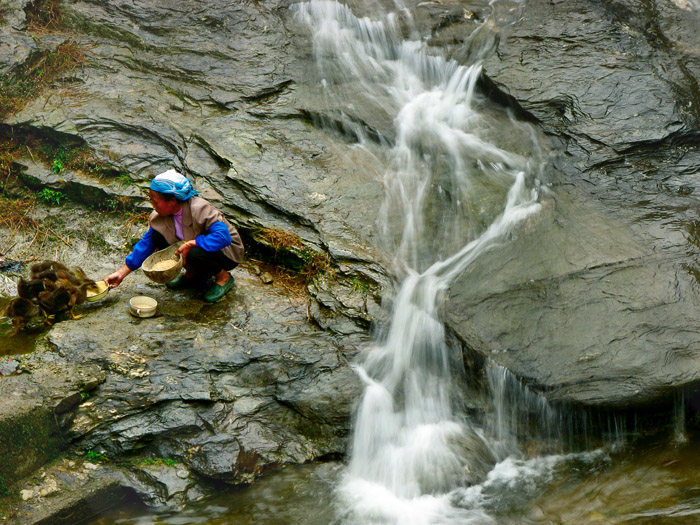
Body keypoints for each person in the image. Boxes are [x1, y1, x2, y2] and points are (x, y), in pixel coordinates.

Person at [105, 169, 244, 303]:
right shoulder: (159, 217)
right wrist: (121, 273)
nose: (152, 205)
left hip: (226, 253)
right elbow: (146, 245)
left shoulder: (200, 208)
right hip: (198, 252)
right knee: (158, 237)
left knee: (194, 250)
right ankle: (194, 275)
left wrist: (191, 243)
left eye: (155, 201)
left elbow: (223, 237)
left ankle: (223, 277)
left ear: (171, 202)